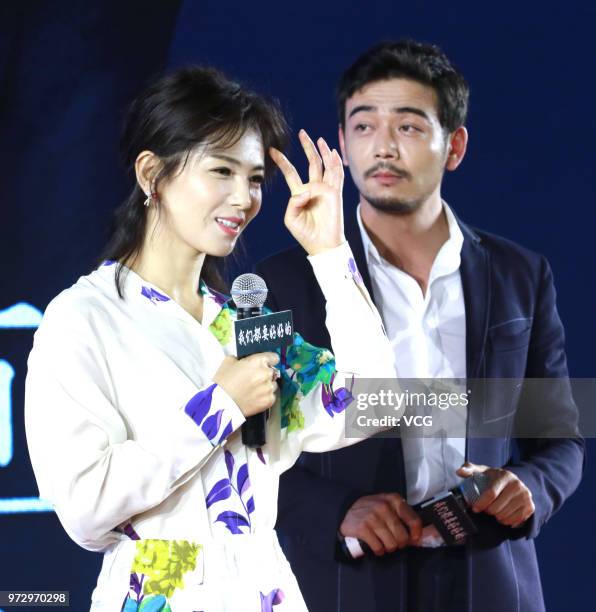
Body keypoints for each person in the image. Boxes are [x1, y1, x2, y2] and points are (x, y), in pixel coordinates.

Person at [24, 66, 396, 611]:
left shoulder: (244, 324)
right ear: (152, 174)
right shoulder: (83, 318)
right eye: (221, 171)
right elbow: (85, 506)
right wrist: (219, 406)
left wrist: (332, 255)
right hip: (160, 589)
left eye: (253, 179)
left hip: (266, 591)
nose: (243, 198)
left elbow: (375, 403)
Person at [256, 40, 585, 612]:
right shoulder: (282, 284)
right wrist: (335, 513)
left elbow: (559, 438)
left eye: (408, 127)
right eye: (363, 127)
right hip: (346, 583)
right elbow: (246, 451)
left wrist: (528, 488)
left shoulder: (520, 275)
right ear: (342, 142)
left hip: (491, 579)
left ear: (453, 145)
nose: (382, 146)